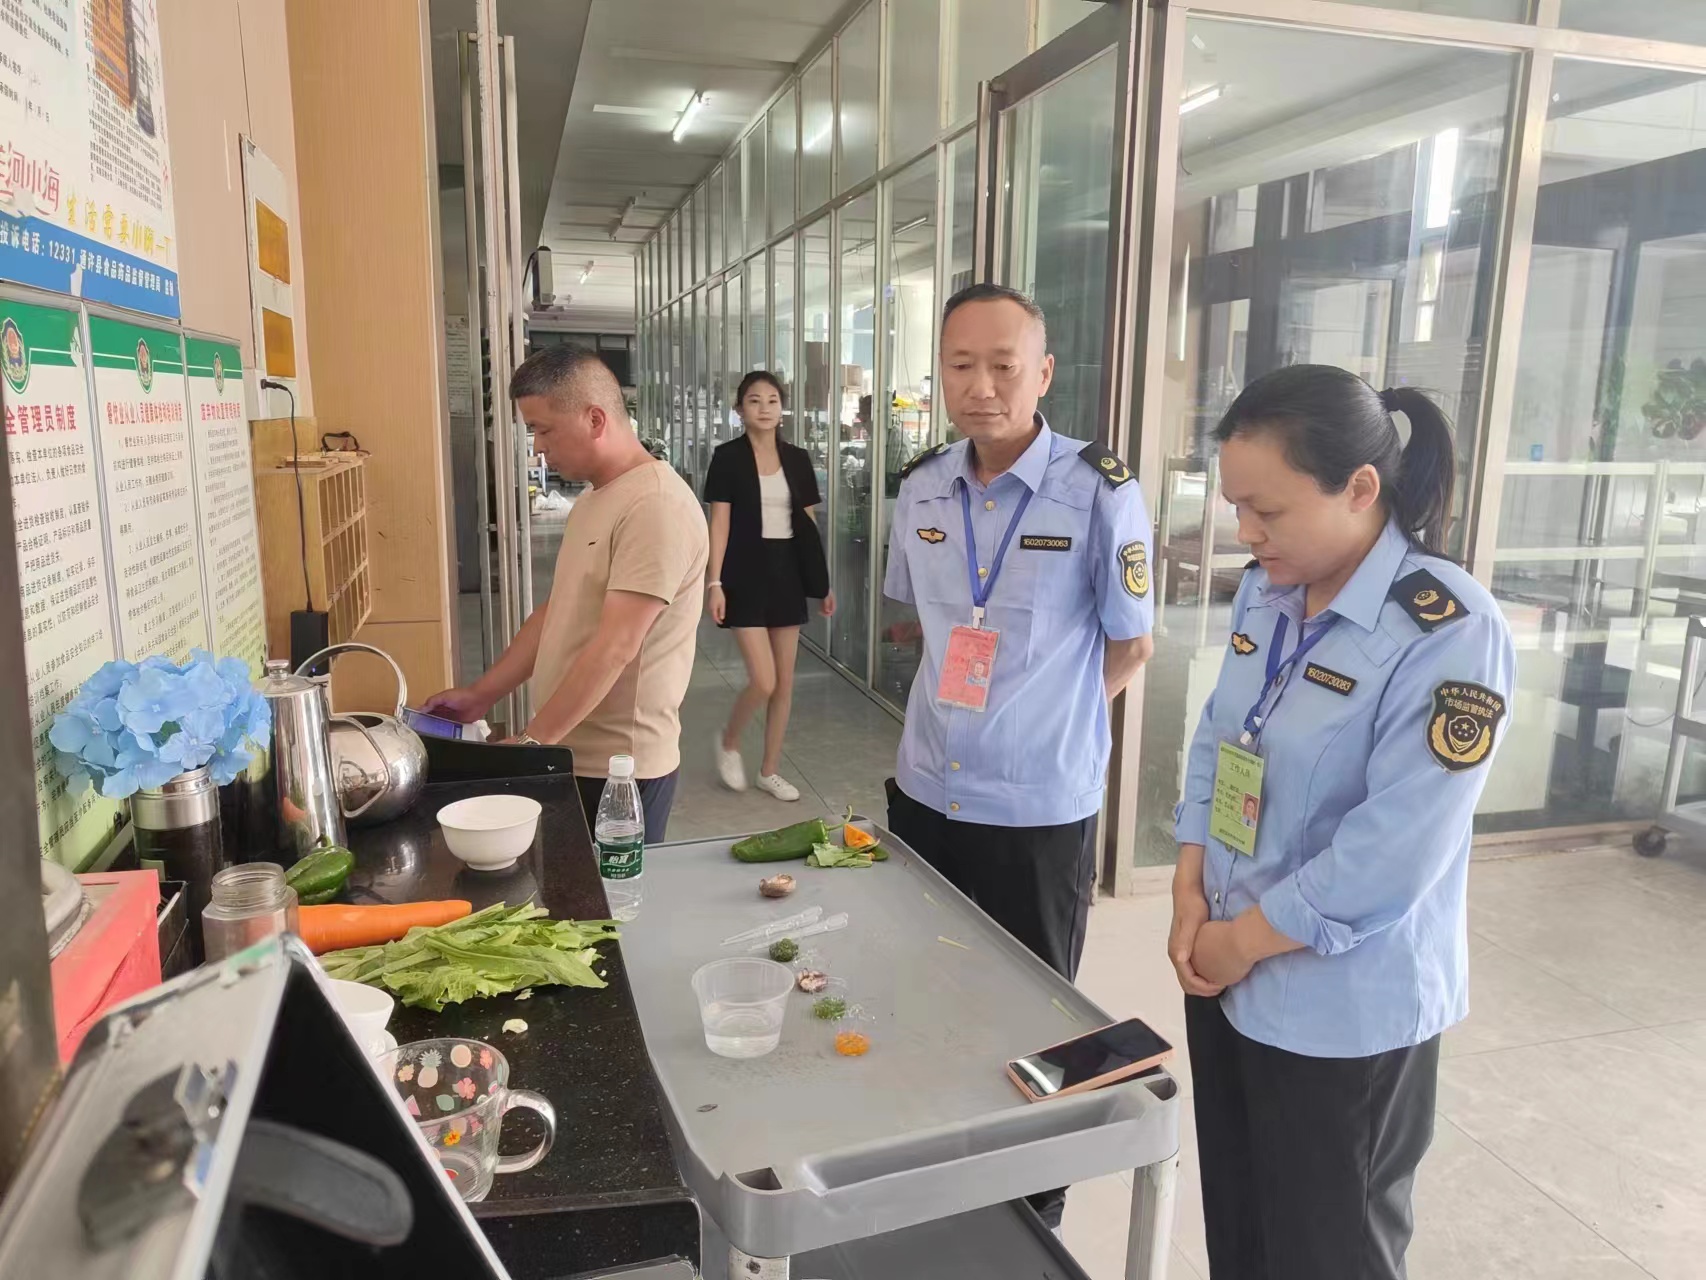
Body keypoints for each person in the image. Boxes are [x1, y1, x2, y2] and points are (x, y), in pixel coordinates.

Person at [1170, 364, 1516, 1279]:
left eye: (1268, 511)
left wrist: (1241, 940)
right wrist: (1185, 888)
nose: (1246, 533)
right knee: (1241, 1229)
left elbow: (1392, 851)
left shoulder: (1447, 628)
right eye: (1236, 507)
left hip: (1341, 1014)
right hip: (1226, 975)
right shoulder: (1268, 589)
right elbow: (1218, 739)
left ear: (1360, 489)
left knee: (1331, 1251)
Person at [882, 281, 1156, 1229]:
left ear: (1042, 373)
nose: (983, 384)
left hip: (1038, 806)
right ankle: (938, 1172)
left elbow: (1132, 644)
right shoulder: (919, 487)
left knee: (1038, 1019)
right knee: (927, 987)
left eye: (1005, 365)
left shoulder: (1100, 491)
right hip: (924, 792)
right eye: (962, 364)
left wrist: (1052, 719)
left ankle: (1031, 1215)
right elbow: (920, 622)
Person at [424, 346, 708, 840]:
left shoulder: (655, 506)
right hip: (572, 755)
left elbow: (617, 645)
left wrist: (536, 740)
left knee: (608, 913)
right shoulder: (597, 498)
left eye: (543, 429)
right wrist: (480, 695)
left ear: (595, 419)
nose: (537, 446)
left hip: (619, 771)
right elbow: (557, 614)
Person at [704, 371, 834, 801]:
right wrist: (715, 582)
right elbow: (719, 523)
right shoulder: (726, 457)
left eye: (773, 400)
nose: (764, 408)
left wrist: (822, 582)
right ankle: (728, 738)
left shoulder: (796, 459)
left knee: (785, 683)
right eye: (754, 400)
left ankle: (769, 770)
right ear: (740, 409)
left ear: (783, 409)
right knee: (763, 680)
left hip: (788, 573)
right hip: (743, 573)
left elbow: (809, 524)